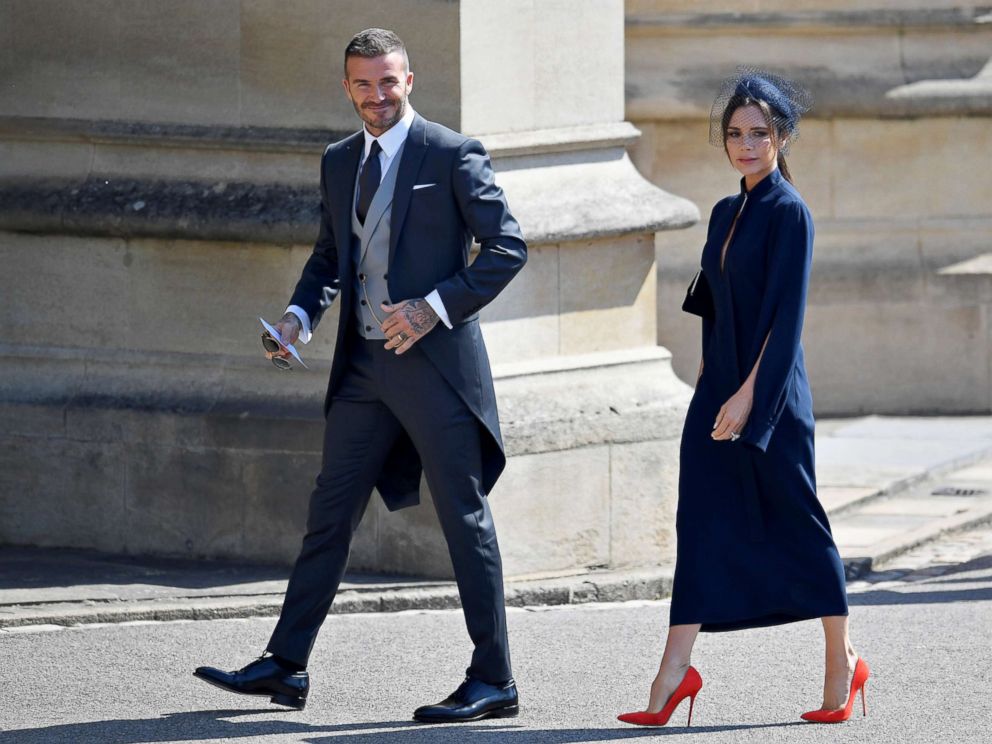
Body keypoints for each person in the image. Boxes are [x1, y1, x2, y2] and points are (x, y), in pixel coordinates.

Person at [194, 28, 526, 723]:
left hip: (434, 370)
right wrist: (295, 319)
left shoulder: (451, 153)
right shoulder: (340, 160)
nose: (377, 96)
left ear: (410, 80)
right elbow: (329, 259)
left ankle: (494, 679)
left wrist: (434, 308)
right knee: (329, 512)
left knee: (464, 519)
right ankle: (286, 665)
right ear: (347, 88)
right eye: (363, 84)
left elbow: (507, 247)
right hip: (363, 369)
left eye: (388, 81)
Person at [618, 69, 869, 727]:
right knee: (698, 517)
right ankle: (674, 671)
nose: (747, 144)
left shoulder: (791, 214)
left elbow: (786, 318)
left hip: (772, 396)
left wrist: (748, 398)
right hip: (717, 390)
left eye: (760, 133)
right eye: (736, 133)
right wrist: (709, 379)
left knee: (799, 521)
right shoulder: (727, 211)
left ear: (782, 137)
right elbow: (707, 298)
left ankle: (841, 661)